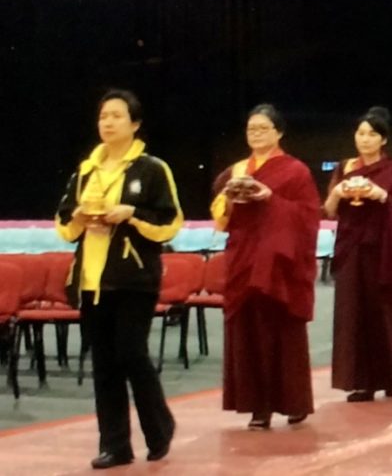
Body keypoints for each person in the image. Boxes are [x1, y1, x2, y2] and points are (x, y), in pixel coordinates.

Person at [55, 90, 181, 469]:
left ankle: (159, 428)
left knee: (131, 353)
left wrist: (130, 213)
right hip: (91, 280)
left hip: (133, 279)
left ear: (135, 123)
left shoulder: (151, 169)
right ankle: (115, 445)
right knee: (104, 364)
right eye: (103, 116)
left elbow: (169, 223)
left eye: (116, 116)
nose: (107, 122)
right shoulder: (85, 170)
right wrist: (80, 216)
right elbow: (64, 224)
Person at [211, 104, 319, 429]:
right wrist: (231, 198)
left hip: (278, 264)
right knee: (248, 334)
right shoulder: (237, 170)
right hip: (244, 258)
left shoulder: (295, 170)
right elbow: (221, 214)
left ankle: (292, 402)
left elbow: (308, 216)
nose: (255, 134)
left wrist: (271, 198)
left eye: (263, 128)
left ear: (279, 132)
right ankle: (258, 406)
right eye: (251, 129)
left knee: (281, 333)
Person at [324, 107, 392, 402]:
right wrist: (338, 192)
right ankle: (361, 382)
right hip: (351, 249)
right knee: (353, 314)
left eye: (372, 134)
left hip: (383, 250)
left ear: (383, 140)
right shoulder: (345, 168)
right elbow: (328, 209)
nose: (365, 139)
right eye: (361, 133)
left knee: (384, 314)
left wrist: (381, 196)